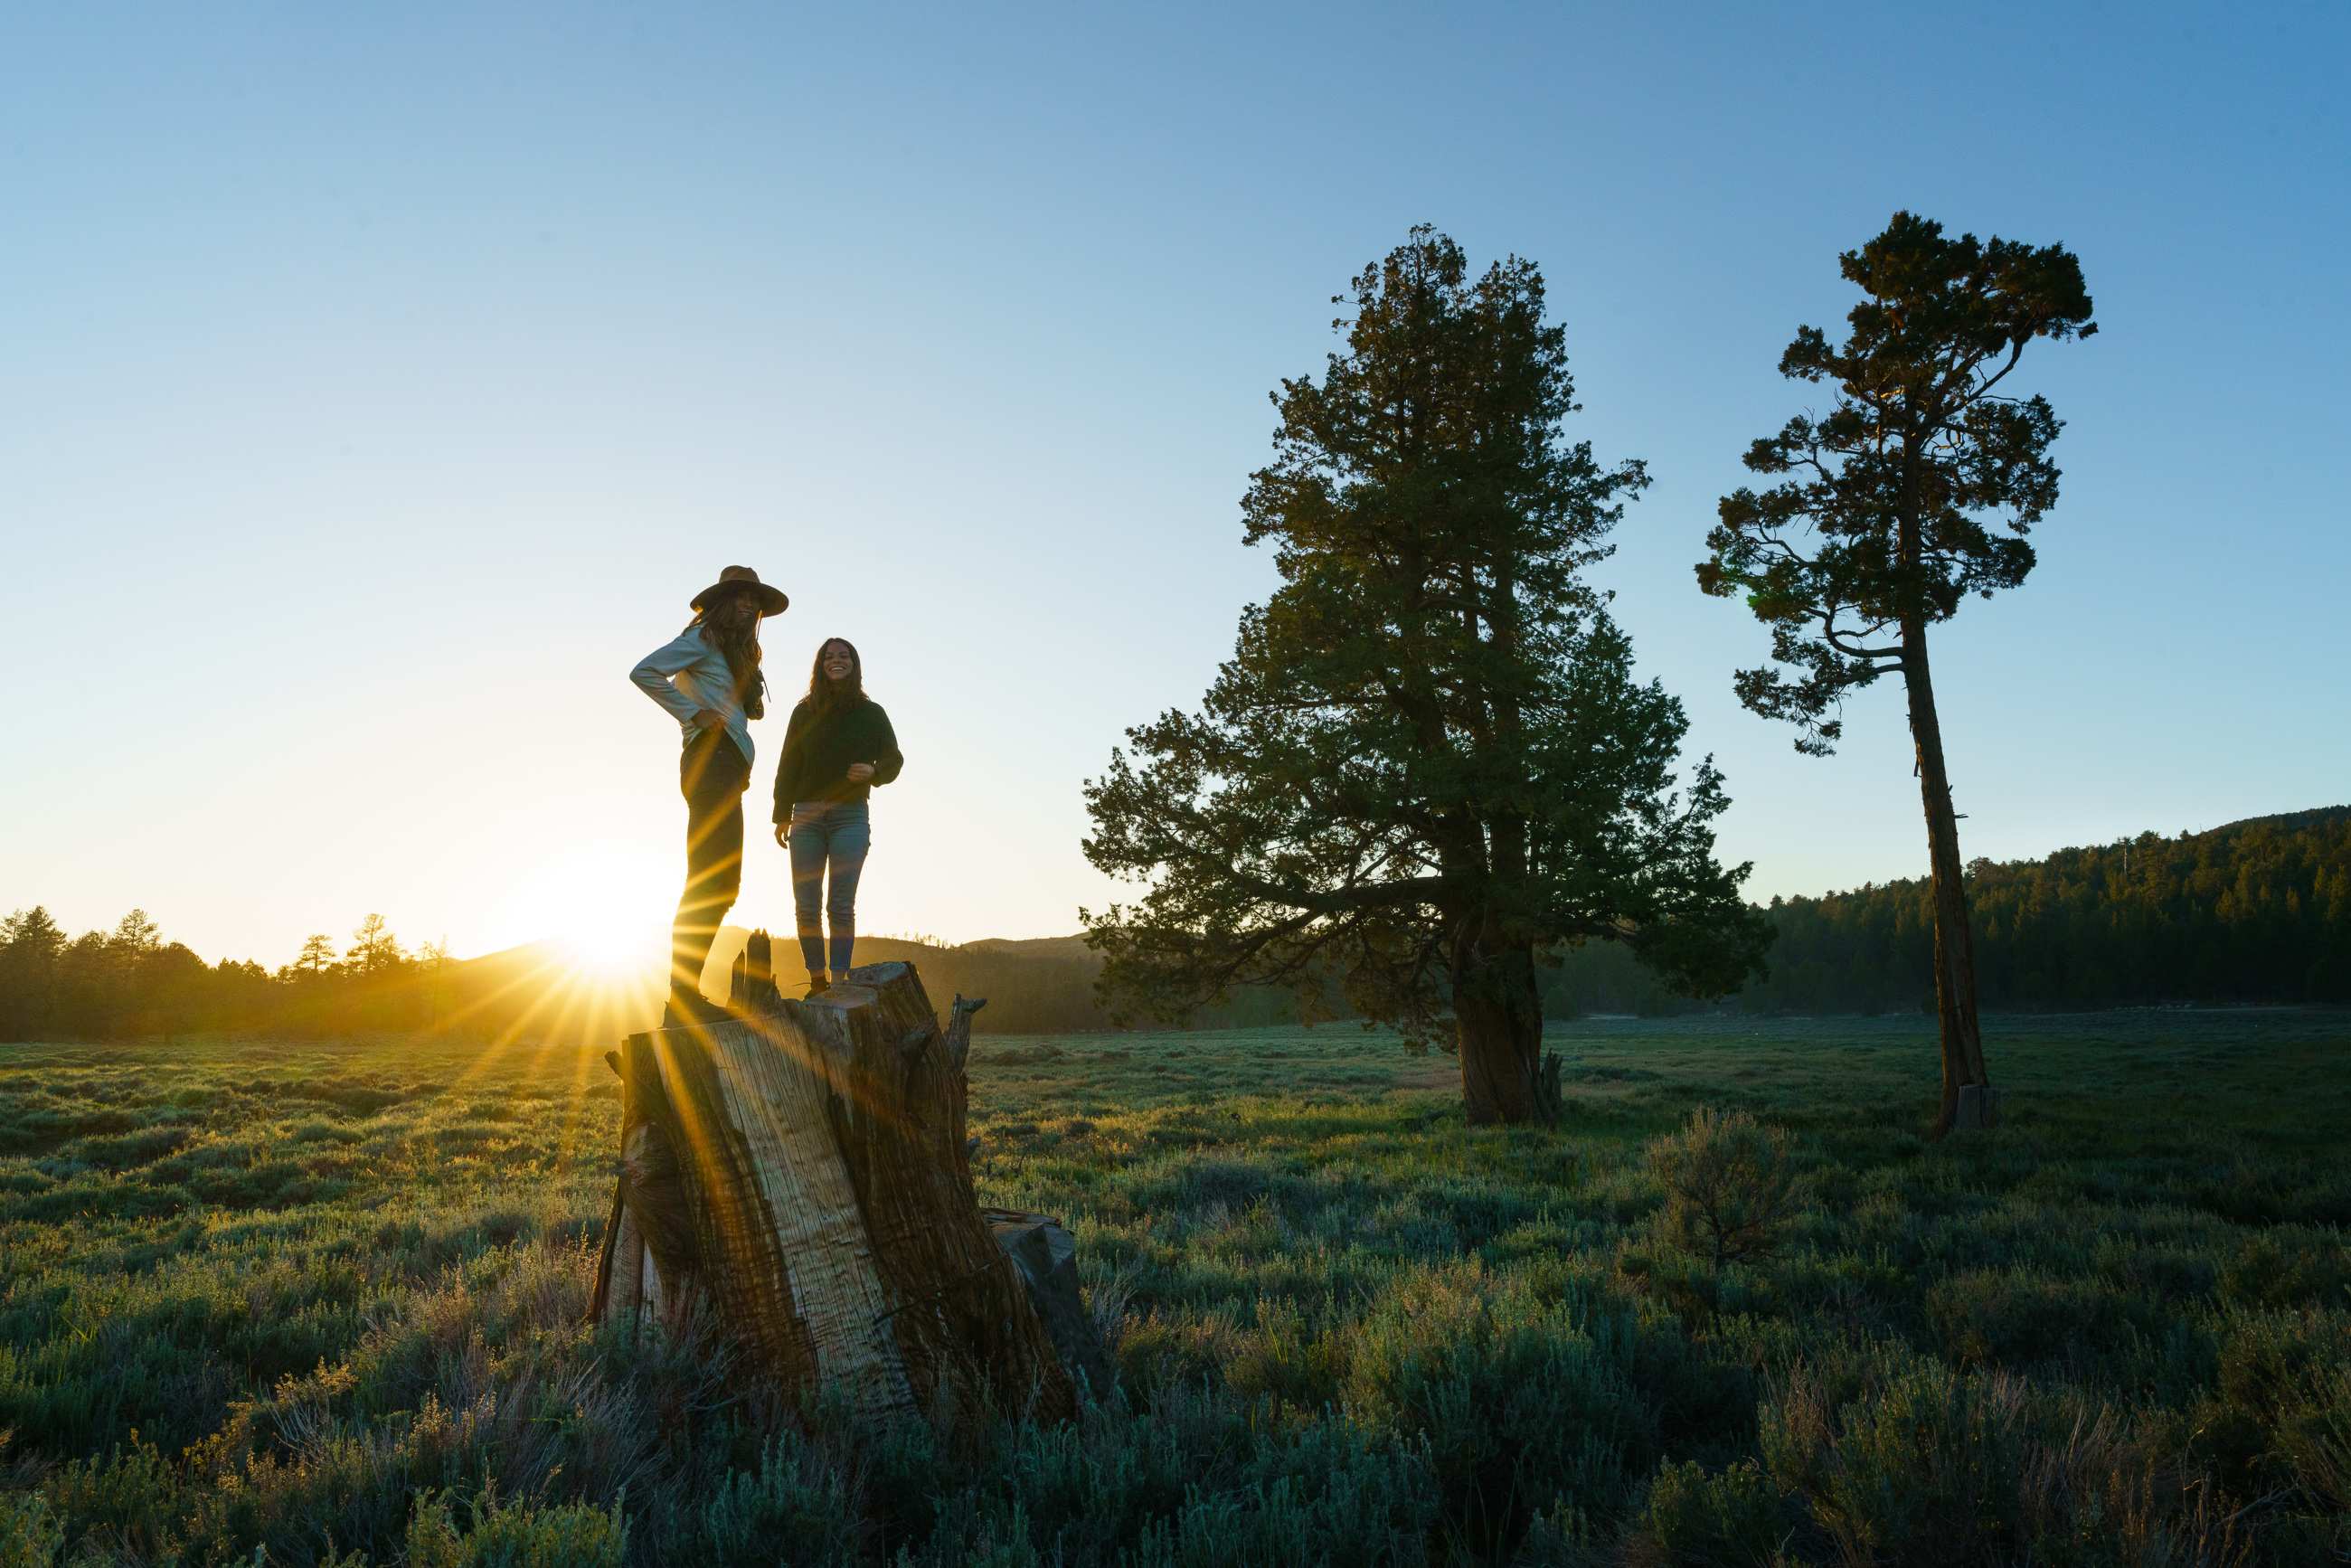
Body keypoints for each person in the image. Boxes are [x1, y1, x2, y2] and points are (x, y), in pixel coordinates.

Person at [630, 565, 788, 1015]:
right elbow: (644, 672)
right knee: (709, 881)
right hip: (709, 761)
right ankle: (682, 996)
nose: (749, 604)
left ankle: (685, 992)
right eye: (740, 596)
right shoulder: (700, 639)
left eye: (753, 600)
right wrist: (690, 713)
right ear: (721, 601)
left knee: (722, 884)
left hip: (727, 769)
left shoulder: (735, 651)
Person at [771, 638, 902, 995]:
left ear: (854, 664)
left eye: (844, 656)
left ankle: (840, 982)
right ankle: (817, 981)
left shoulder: (871, 713)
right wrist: (781, 814)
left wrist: (874, 771)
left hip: (850, 818)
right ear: (820, 665)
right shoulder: (804, 712)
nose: (836, 661)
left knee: (840, 905)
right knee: (806, 904)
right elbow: (789, 764)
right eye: (829, 657)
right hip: (806, 817)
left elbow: (894, 760)